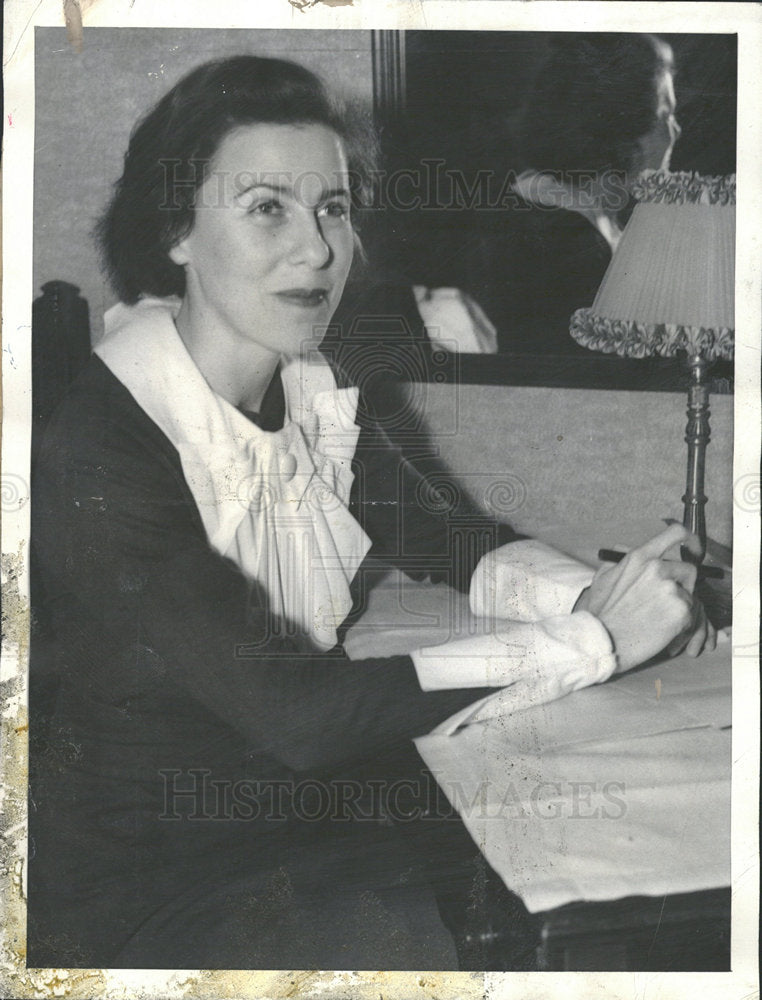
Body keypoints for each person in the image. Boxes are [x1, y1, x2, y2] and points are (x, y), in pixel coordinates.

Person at [28, 55, 713, 971]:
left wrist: (612, 594)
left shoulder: (310, 389)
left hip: (277, 810)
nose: (317, 249)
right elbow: (297, 714)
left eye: (334, 208)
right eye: (267, 205)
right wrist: (594, 642)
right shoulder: (106, 445)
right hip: (145, 879)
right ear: (177, 229)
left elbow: (451, 538)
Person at [477, 33, 681, 354]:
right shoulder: (563, 242)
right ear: (619, 131)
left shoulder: (579, 217)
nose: (675, 132)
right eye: (664, 117)